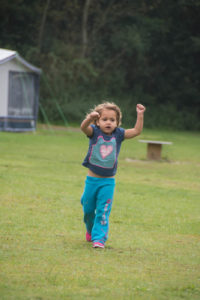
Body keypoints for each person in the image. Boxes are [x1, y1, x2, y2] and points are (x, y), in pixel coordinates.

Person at [80, 102, 146, 248]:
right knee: (88, 210)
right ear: (98, 121)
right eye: (105, 119)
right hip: (91, 181)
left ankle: (99, 239)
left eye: (112, 120)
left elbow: (136, 131)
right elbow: (83, 128)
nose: (108, 122)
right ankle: (90, 230)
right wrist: (89, 119)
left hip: (108, 183)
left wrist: (140, 115)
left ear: (117, 122)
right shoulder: (94, 132)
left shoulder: (119, 134)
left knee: (103, 211)